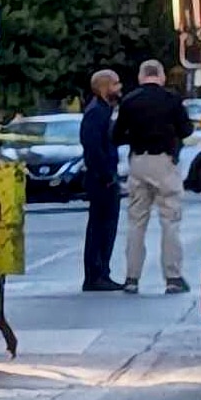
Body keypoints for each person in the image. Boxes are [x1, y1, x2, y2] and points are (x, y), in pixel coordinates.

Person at [114, 58, 191, 294]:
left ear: (141, 76)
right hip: (164, 162)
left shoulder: (129, 101)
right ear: (161, 76)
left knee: (136, 222)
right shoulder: (172, 99)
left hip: (138, 161)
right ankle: (173, 277)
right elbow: (186, 130)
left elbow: (116, 135)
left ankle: (132, 277)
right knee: (170, 221)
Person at [77, 67, 124, 291]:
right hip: (101, 179)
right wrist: (105, 174)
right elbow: (93, 147)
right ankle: (96, 274)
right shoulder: (96, 112)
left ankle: (102, 271)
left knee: (106, 227)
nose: (119, 87)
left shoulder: (105, 110)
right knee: (101, 227)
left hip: (105, 176)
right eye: (115, 84)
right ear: (105, 87)